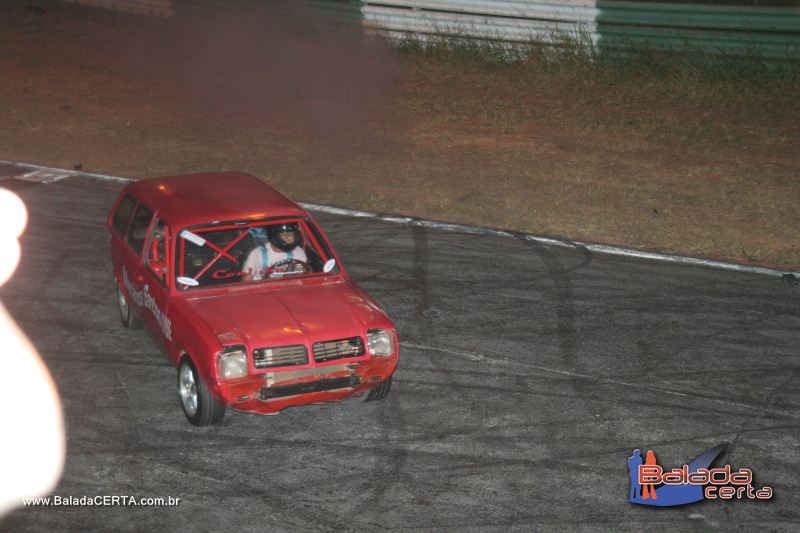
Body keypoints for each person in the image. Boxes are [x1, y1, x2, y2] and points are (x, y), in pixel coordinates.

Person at [242, 222, 308, 281]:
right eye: (285, 235)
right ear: (274, 236)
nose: (290, 239)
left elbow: (301, 276)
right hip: (262, 289)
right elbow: (246, 280)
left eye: (291, 235)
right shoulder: (256, 253)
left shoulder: (298, 252)